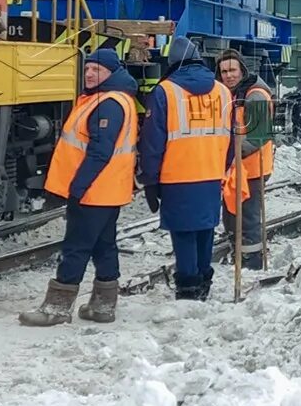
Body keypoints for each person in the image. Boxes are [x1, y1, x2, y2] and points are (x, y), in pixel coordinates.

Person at [20, 48, 138, 327]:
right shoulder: (112, 98)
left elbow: (100, 151)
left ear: (110, 73)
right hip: (108, 190)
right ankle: (103, 305)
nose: (89, 74)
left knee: (76, 246)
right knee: (103, 245)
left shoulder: (107, 103)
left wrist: (78, 186)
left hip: (94, 191)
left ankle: (57, 308)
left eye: (96, 70)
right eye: (87, 69)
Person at [138, 37, 231, 301]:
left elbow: (152, 142)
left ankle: (188, 287)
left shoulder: (165, 91)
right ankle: (203, 282)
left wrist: (150, 179)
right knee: (206, 228)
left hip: (177, 175)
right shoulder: (222, 91)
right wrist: (221, 166)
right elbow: (231, 136)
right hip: (211, 173)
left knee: (183, 232)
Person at [216, 51, 274, 270]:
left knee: (248, 217)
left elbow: (260, 135)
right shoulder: (234, 94)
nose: (228, 75)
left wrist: (231, 153)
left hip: (253, 167)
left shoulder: (255, 95)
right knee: (232, 214)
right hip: (237, 168)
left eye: (232, 70)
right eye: (224, 71)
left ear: (242, 70)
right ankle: (238, 253)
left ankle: (253, 262)